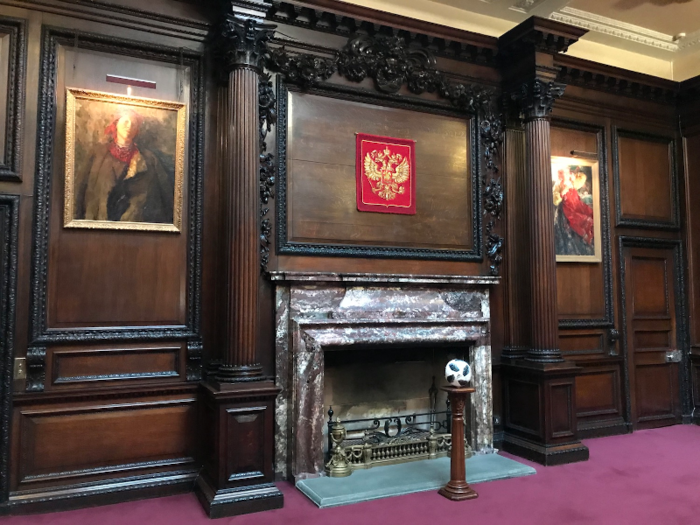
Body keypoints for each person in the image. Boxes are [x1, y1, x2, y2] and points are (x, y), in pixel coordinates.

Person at [76, 108, 174, 224]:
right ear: (116, 124)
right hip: (98, 228)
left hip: (137, 230)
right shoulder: (97, 154)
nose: (129, 126)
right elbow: (79, 190)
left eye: (134, 124)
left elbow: (167, 197)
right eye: (126, 122)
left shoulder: (149, 159)